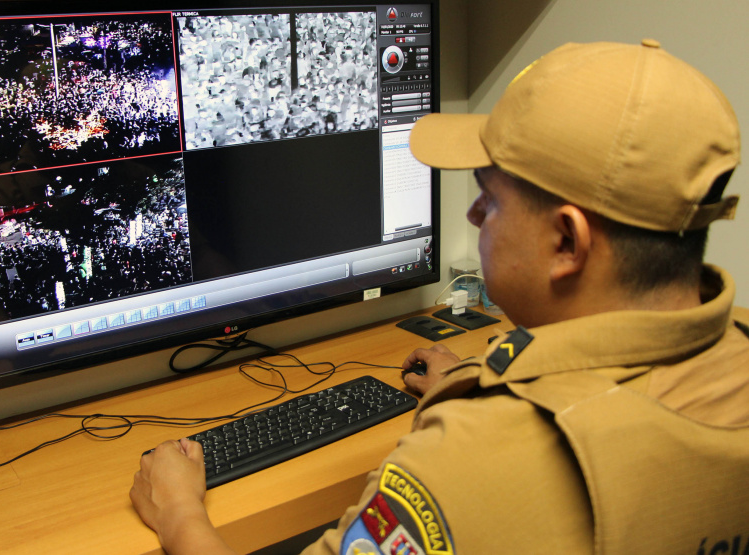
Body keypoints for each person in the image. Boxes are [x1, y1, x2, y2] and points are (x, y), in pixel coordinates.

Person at [130, 40, 749, 554]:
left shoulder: (473, 465)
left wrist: (179, 511)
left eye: (492, 198)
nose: (476, 214)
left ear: (567, 241)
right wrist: (473, 381)